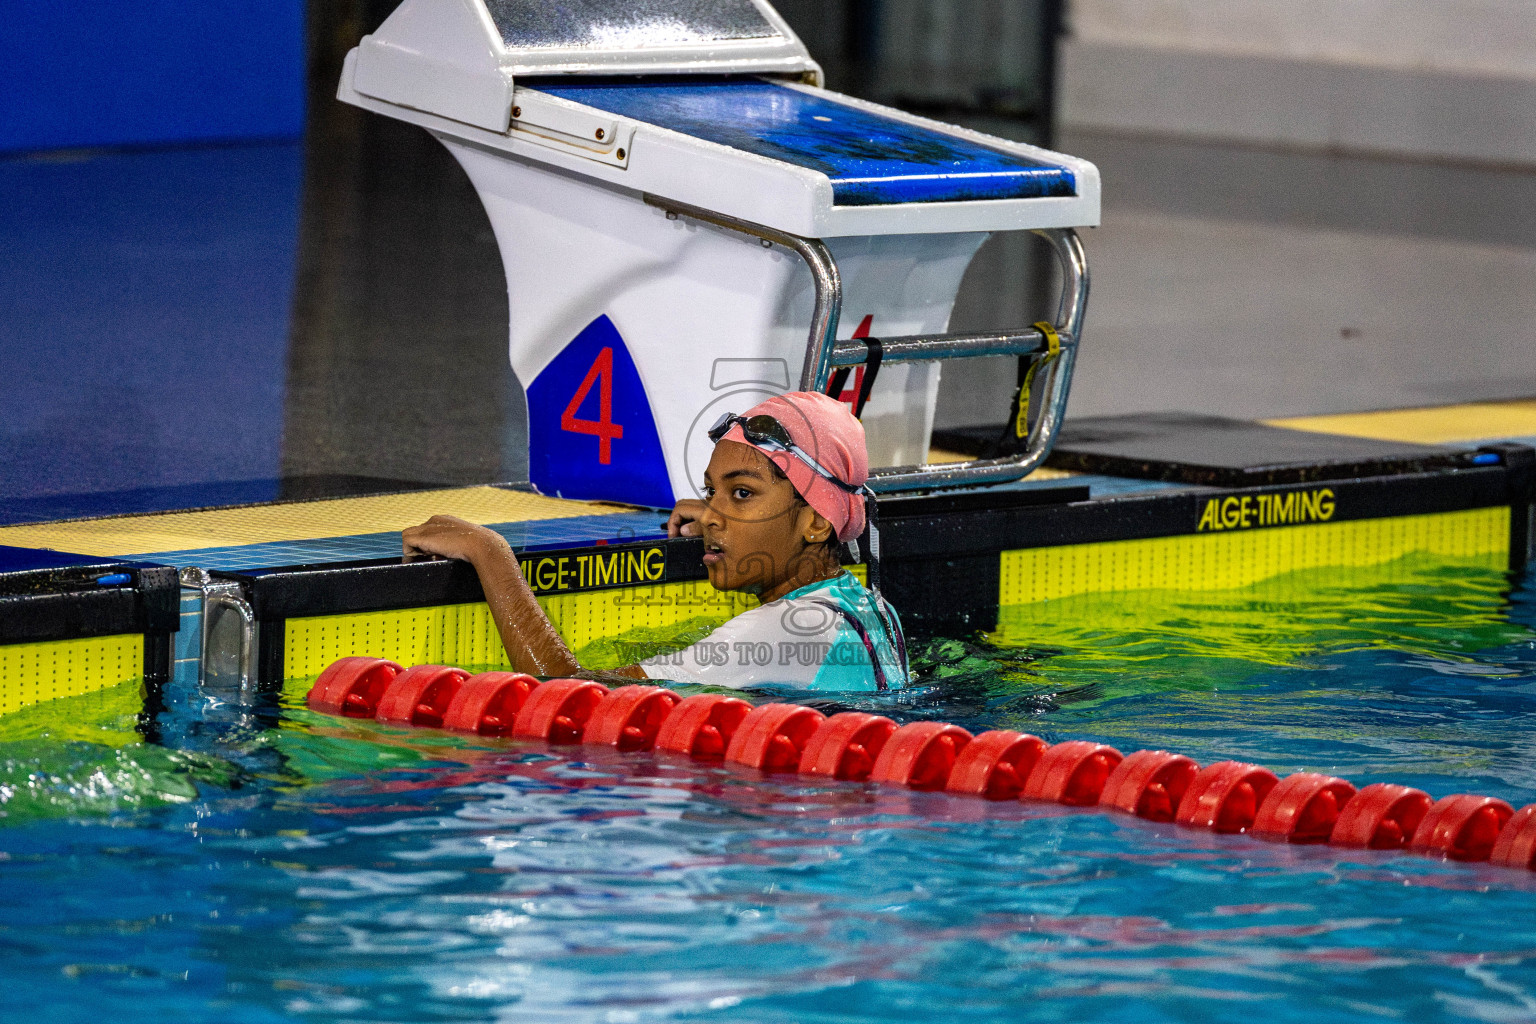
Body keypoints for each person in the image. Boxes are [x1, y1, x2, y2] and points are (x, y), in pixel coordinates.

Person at [402, 391, 909, 692]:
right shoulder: (867, 607)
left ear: (817, 522)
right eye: (711, 493)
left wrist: (492, 555)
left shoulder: (772, 634)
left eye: (742, 493)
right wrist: (738, 511)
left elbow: (566, 695)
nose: (711, 516)